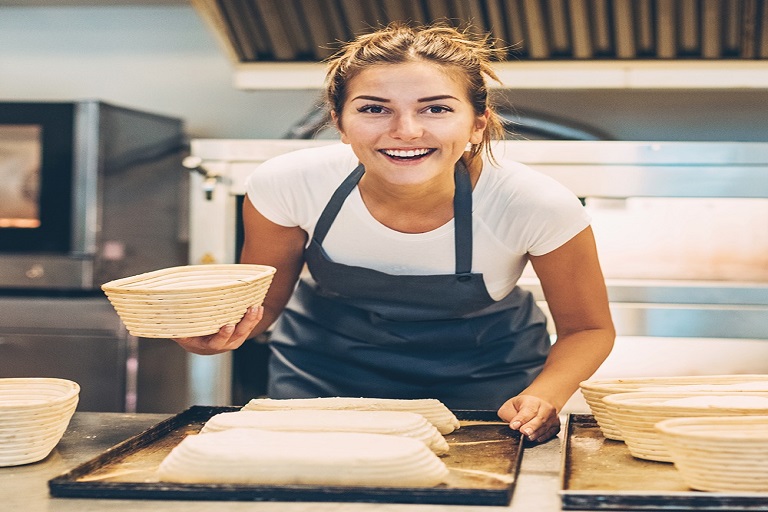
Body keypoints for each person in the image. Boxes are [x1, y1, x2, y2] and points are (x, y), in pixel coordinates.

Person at [173, 22, 615, 443]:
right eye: (373, 109)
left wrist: (545, 395)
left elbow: (587, 328)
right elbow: (263, 306)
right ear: (339, 123)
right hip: (321, 380)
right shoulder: (289, 185)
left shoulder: (533, 203)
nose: (406, 131)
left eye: (437, 108)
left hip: (487, 385)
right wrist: (223, 333)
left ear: (478, 123)